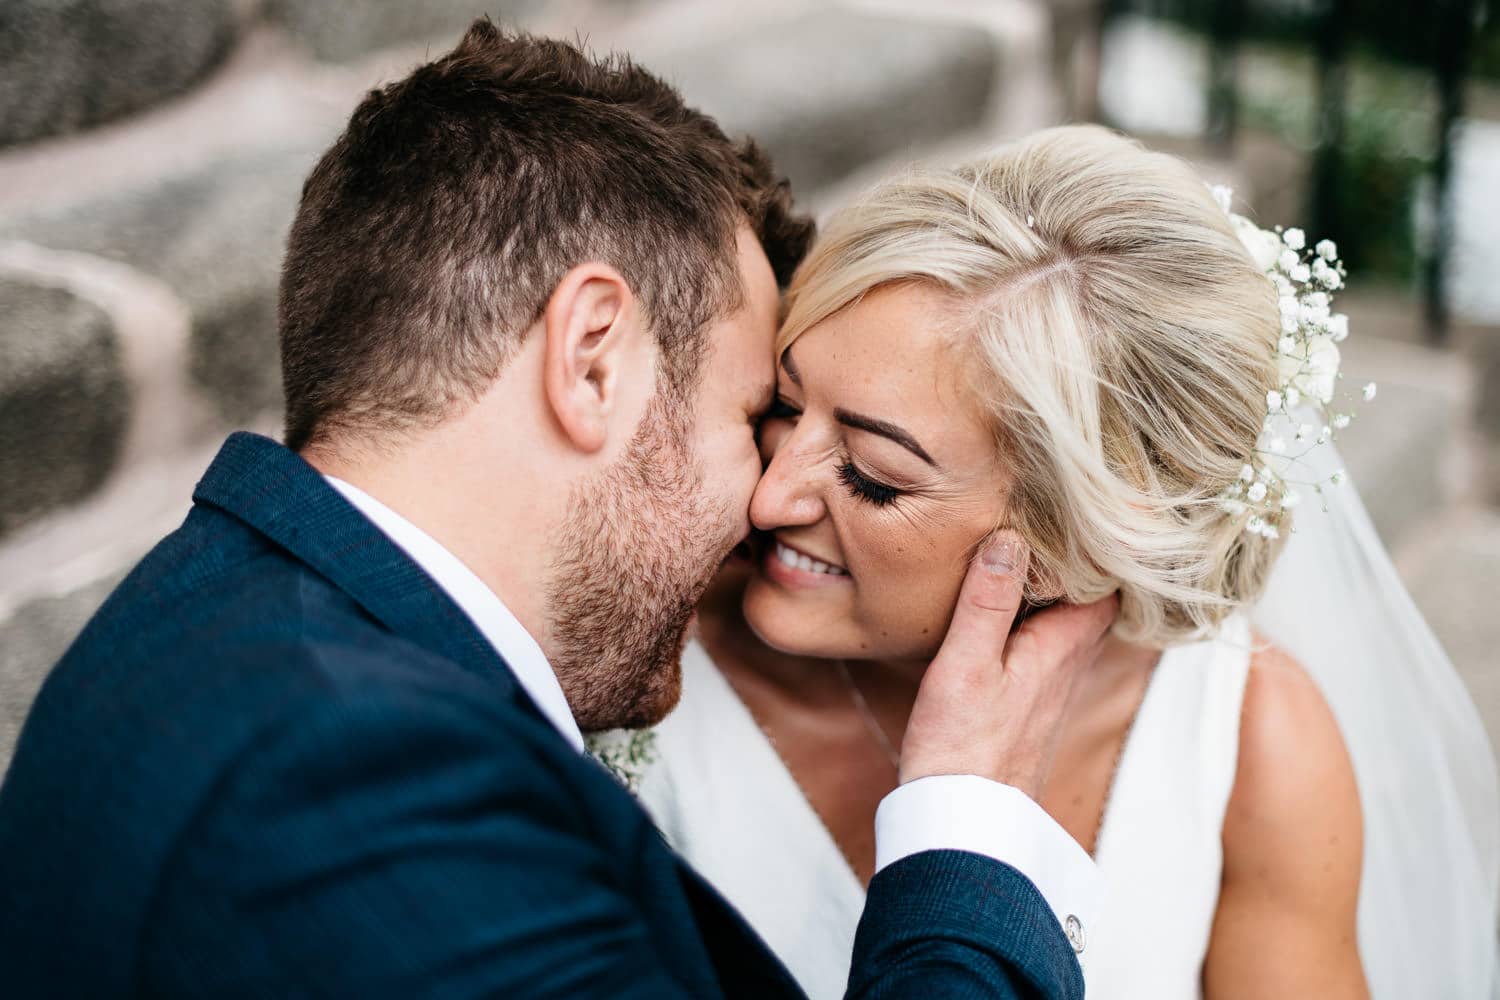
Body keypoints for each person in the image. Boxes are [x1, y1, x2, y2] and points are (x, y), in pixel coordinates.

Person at [0, 22, 1118, 999]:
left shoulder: (225, 607)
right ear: (592, 360)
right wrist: (968, 827)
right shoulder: (356, 782)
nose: (766, 500)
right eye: (748, 415)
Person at [636, 126, 1500, 998]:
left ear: (1070, 549)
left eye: (872, 476)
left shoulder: (1249, 744)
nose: (768, 496)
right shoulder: (627, 662)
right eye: (782, 403)